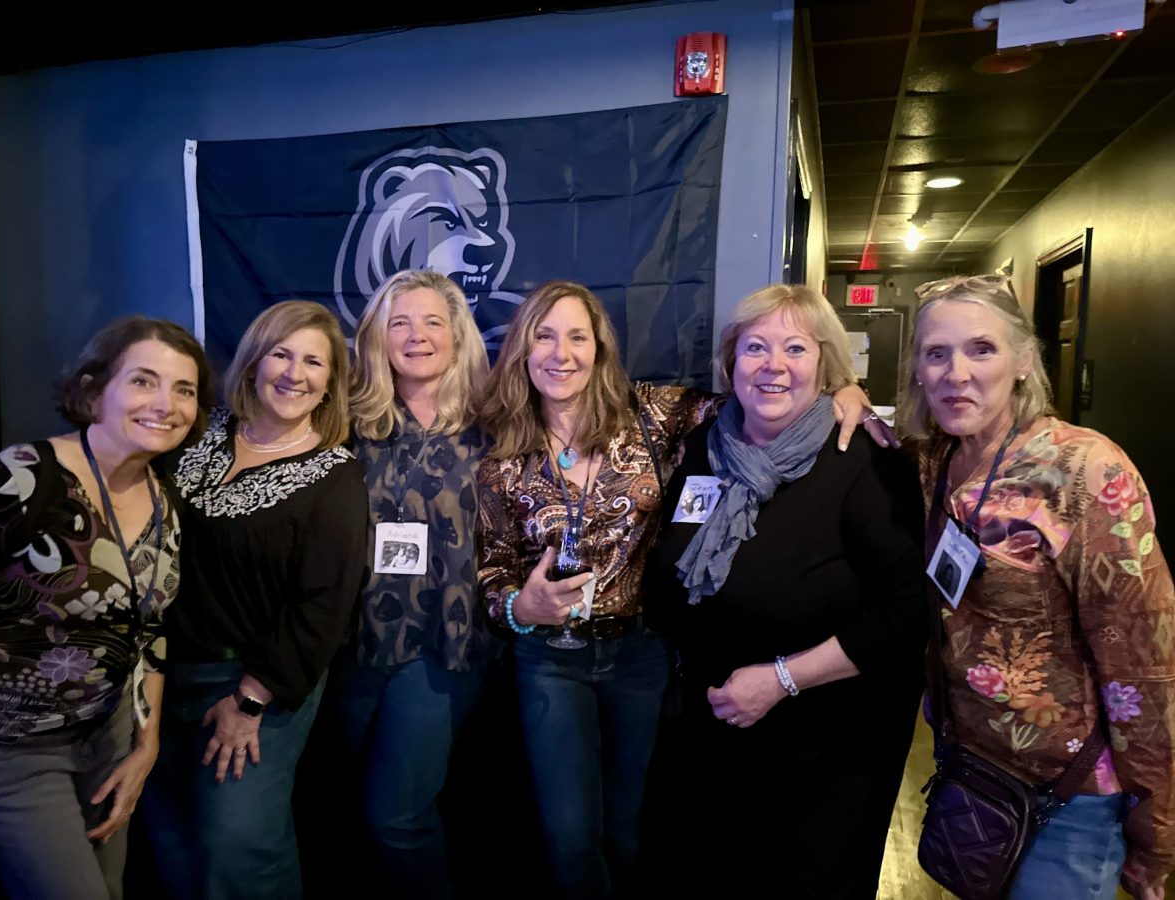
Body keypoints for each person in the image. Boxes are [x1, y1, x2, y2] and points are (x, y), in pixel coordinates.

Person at [475, 280, 881, 898]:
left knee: (637, 828)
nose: (561, 354)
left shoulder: (650, 413)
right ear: (522, 351)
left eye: (577, 337)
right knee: (568, 835)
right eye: (544, 336)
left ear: (599, 348)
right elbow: (492, 571)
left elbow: (760, 395)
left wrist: (843, 388)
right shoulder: (501, 452)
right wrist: (518, 606)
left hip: (642, 656)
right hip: (549, 662)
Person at [642, 283, 927, 898]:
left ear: (825, 364)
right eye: (755, 348)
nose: (773, 366)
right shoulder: (706, 447)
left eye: (795, 348)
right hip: (713, 732)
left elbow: (906, 613)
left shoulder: (865, 458)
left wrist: (778, 680)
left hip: (825, 748)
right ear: (729, 362)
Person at [906, 274, 1175, 900]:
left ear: (1025, 361)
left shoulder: (1083, 471)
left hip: (1070, 793)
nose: (957, 373)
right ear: (916, 368)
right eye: (936, 353)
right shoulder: (929, 461)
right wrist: (842, 396)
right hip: (971, 770)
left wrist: (1156, 827)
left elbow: (1146, 663)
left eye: (982, 349)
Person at [0, 317, 211, 900]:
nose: (166, 404)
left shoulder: (164, 499)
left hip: (108, 743)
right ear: (93, 390)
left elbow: (149, 630)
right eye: (143, 382)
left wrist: (146, 741)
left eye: (184, 389)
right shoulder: (24, 478)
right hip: (10, 750)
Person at [143, 301, 367, 899]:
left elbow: (324, 607)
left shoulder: (334, 476)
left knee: (239, 848)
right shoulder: (195, 434)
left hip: (252, 682)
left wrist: (249, 700)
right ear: (253, 362)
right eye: (281, 354)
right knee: (170, 838)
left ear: (330, 382)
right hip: (157, 676)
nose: (294, 373)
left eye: (313, 362)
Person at [330, 270, 494, 900]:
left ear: (457, 337)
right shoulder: (342, 420)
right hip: (352, 643)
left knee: (395, 816)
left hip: (446, 645)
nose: (416, 336)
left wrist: (832, 390)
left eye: (432, 322)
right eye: (400, 322)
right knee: (347, 806)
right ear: (377, 337)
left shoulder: (497, 422)